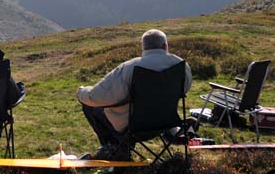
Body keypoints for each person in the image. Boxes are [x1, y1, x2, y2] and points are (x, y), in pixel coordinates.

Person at [77, 29, 192, 160]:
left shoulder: (129, 67)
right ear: (165, 46)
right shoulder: (182, 66)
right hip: (166, 124)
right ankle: (117, 149)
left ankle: (114, 148)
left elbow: (95, 97)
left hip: (133, 128)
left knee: (90, 106)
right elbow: (185, 89)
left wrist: (81, 92)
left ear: (143, 48)